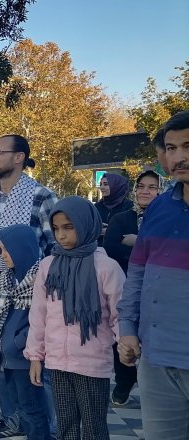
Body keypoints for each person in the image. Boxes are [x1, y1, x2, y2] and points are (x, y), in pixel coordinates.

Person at [0, 135, 58, 440]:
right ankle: (12, 420)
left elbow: (55, 248)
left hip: (29, 299)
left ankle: (48, 429)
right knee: (0, 361)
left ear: (19, 157)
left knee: (35, 367)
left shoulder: (41, 196)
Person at [25, 197, 124, 440]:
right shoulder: (48, 265)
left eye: (69, 227)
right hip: (57, 362)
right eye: (56, 228)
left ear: (85, 224)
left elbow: (120, 313)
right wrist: (36, 356)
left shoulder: (106, 267)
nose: (61, 235)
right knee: (65, 426)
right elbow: (39, 313)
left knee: (93, 428)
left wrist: (126, 346)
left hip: (92, 363)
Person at [118, 111, 189, 440]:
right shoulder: (159, 208)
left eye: (188, 146)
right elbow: (138, 273)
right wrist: (127, 329)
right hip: (156, 359)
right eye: (171, 148)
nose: (179, 157)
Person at [102, 170, 162, 406]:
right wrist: (144, 251)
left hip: (159, 289)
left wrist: (138, 242)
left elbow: (171, 250)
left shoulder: (167, 220)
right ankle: (124, 382)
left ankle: (155, 387)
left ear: (161, 191)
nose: (145, 191)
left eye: (152, 187)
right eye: (141, 186)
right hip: (125, 285)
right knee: (122, 334)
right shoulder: (122, 218)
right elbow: (111, 249)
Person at [0, 225, 49, 440]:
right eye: (0, 249)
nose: (3, 255)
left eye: (7, 249)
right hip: (7, 356)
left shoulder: (40, 279)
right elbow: (1, 314)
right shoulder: (7, 278)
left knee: (32, 409)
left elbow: (41, 319)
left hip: (26, 358)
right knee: (20, 406)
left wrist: (17, 342)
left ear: (21, 248)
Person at [94, 172, 132, 242]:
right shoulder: (97, 206)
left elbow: (132, 231)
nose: (102, 187)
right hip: (98, 247)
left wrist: (110, 231)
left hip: (120, 247)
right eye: (101, 184)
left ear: (117, 186)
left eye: (106, 184)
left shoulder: (129, 206)